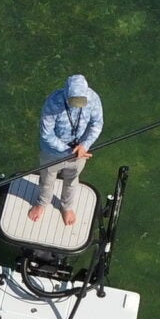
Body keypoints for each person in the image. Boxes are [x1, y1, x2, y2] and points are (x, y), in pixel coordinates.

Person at [28, 73, 104, 225]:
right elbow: (46, 134)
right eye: (73, 100)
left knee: (72, 180)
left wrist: (84, 145)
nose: (77, 104)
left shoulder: (93, 99)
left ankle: (66, 207)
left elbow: (97, 124)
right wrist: (68, 151)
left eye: (81, 101)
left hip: (79, 153)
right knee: (47, 180)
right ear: (66, 93)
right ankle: (42, 203)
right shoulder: (52, 103)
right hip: (52, 153)